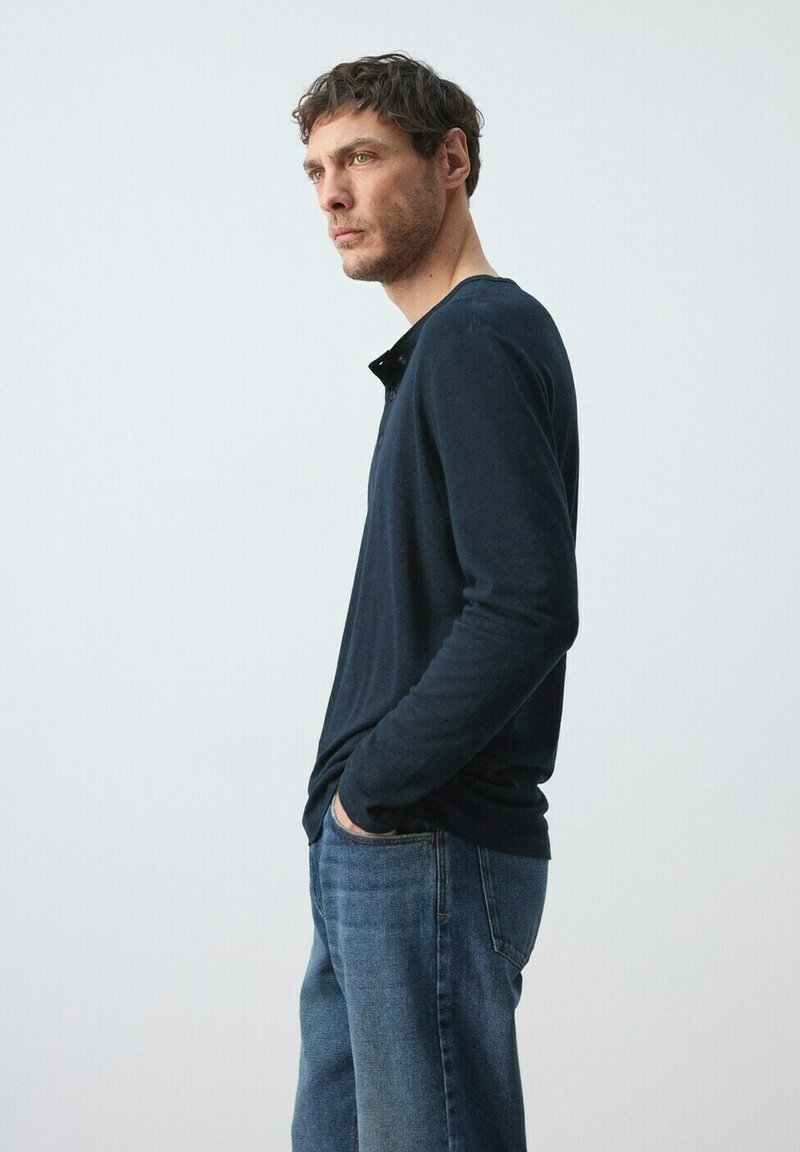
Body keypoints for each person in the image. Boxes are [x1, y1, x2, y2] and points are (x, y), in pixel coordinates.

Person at [290, 52, 579, 1152]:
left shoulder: (475, 338)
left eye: (362, 157)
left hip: (423, 843)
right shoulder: (450, 347)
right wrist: (350, 817)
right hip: (385, 849)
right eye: (317, 169)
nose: (333, 193)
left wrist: (373, 795)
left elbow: (526, 604)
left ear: (450, 161)